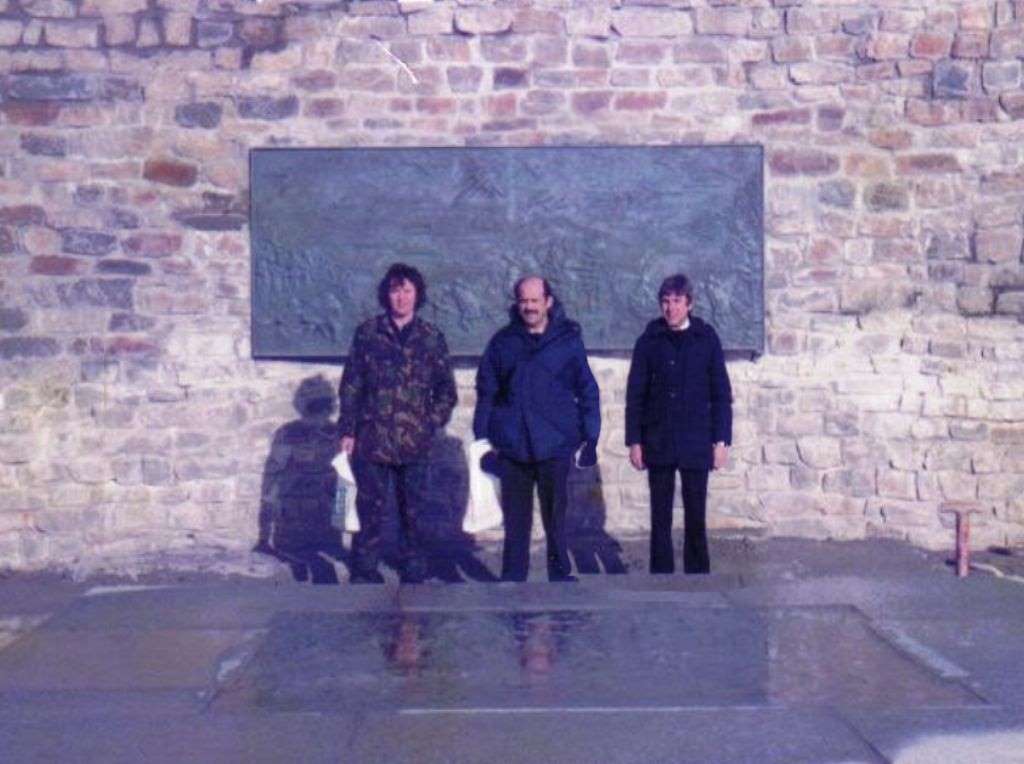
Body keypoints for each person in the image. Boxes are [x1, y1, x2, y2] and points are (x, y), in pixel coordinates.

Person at [473, 276, 600, 582]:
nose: (529, 307)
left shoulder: (567, 342)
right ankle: (513, 576)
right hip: (513, 445)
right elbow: (487, 391)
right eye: (524, 301)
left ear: (548, 302)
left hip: (554, 444)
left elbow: (587, 389)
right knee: (516, 520)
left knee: (555, 518)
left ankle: (560, 574)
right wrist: (482, 438)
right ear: (517, 303)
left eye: (535, 300)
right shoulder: (502, 342)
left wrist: (590, 435)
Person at [338, 263, 457, 583]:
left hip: (415, 441)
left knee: (414, 511)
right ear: (386, 295)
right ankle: (364, 569)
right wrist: (348, 429)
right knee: (369, 509)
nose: (401, 297)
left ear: (417, 295)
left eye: (407, 290)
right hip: (372, 438)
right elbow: (352, 385)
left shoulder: (431, 337)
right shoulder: (368, 334)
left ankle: (414, 568)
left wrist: (429, 423)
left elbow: (446, 391)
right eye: (395, 290)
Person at [625, 273, 732, 575]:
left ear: (689, 304)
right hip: (658, 439)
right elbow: (635, 395)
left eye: (676, 301)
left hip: (696, 441)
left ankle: (698, 579)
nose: (670, 308)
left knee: (696, 515)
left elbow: (721, 394)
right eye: (665, 301)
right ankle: (661, 579)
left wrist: (722, 441)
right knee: (660, 516)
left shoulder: (706, 339)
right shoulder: (649, 341)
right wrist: (635, 441)